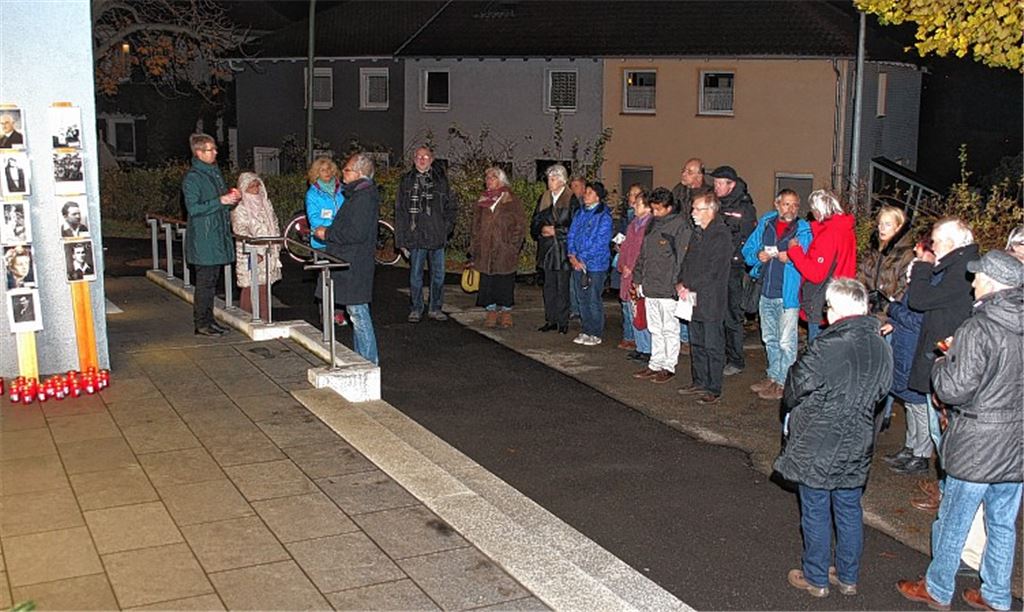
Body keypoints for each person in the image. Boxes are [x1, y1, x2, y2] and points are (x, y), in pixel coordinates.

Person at [897, 249, 1023, 612]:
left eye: (979, 275)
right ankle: (996, 594)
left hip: (978, 441)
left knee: (955, 516)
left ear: (996, 283)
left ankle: (937, 587)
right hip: (1016, 442)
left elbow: (953, 388)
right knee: (1002, 522)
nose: (974, 281)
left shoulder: (979, 327)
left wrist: (942, 363)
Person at [775, 278, 893, 599]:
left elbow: (795, 387)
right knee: (849, 508)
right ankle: (848, 575)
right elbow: (883, 391)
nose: (825, 312)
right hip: (857, 438)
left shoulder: (828, 345)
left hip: (819, 437)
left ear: (838, 309)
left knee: (815, 508)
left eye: (828, 306)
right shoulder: (880, 345)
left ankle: (816, 577)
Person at [741, 189, 812, 401]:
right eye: (786, 204)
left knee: (786, 342)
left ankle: (783, 383)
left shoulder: (802, 229)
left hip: (788, 296)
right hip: (766, 292)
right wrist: (757, 256)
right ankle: (773, 376)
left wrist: (791, 257)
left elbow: (807, 256)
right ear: (777, 204)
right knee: (769, 338)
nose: (790, 209)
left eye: (794, 205)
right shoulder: (766, 223)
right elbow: (748, 251)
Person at [314, 153, 380, 365]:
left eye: (347, 169)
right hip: (352, 260)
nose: (343, 172)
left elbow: (355, 233)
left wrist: (328, 233)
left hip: (354, 263)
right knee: (355, 312)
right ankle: (362, 358)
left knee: (359, 313)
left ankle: (369, 361)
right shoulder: (359, 194)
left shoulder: (363, 197)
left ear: (359, 173)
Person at [678, 191, 734, 405]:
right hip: (692, 297)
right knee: (697, 342)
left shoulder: (720, 235)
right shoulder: (698, 233)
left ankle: (713, 386)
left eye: (696, 209)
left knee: (712, 344)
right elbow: (688, 261)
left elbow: (713, 270)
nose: (692, 213)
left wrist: (688, 285)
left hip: (711, 299)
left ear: (710, 211)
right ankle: (699, 380)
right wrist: (681, 281)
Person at [631, 188, 691, 383]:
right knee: (655, 328)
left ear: (669, 207)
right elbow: (644, 252)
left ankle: (668, 365)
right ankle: (655, 363)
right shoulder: (653, 223)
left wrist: (676, 284)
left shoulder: (680, 226)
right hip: (650, 286)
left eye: (658, 209)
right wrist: (637, 278)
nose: (655, 213)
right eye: (653, 209)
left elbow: (682, 259)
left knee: (670, 329)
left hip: (667, 288)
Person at [182, 133, 239, 337]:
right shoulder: (193, 178)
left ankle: (209, 320)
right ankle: (201, 323)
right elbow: (194, 208)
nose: (215, 152)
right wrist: (221, 201)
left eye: (215, 148)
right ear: (199, 153)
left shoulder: (214, 173)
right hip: (204, 240)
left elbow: (219, 202)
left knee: (212, 282)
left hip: (215, 235)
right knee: (205, 283)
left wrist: (232, 199)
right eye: (210, 149)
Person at [395, 146, 457, 323]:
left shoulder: (441, 181)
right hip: (415, 236)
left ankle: (435, 308)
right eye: (419, 157)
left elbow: (451, 207)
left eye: (426, 156)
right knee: (415, 276)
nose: (422, 160)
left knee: (438, 275)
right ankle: (416, 308)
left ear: (432, 159)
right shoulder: (406, 180)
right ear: (414, 159)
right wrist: (401, 239)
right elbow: (400, 211)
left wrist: (446, 229)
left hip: (437, 237)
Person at [786, 189, 857, 342]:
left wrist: (795, 251)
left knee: (818, 350)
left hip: (823, 301)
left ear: (819, 210)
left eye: (813, 210)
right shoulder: (845, 228)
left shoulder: (828, 234)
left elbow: (815, 273)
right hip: (842, 296)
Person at [708, 166, 757, 376]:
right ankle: (719, 355)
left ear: (732, 185)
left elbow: (746, 239)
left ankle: (736, 360)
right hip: (714, 267)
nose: (716, 186)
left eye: (721, 183)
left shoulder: (744, 207)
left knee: (731, 314)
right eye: (715, 182)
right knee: (715, 313)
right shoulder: (714, 203)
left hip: (733, 268)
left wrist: (731, 256)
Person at [467, 166, 526, 328]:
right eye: (487, 178)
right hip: (485, 249)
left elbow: (520, 224)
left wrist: (513, 245)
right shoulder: (483, 199)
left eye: (492, 177)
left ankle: (506, 312)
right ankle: (491, 311)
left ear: (500, 180)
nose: (488, 181)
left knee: (504, 280)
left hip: (505, 249)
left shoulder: (511, 198)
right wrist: (474, 247)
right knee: (488, 281)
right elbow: (476, 225)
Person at [531, 163, 577, 334]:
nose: (549, 182)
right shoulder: (544, 198)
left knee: (562, 287)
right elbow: (535, 221)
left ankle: (563, 321)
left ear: (562, 181)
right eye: (549, 179)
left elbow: (575, 227)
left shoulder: (571, 199)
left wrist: (556, 231)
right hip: (547, 249)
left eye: (552, 179)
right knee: (549, 286)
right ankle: (550, 319)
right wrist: (541, 229)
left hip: (563, 249)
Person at [567, 181, 613, 346]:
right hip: (578, 263)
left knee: (593, 297)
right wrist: (572, 255)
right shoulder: (580, 213)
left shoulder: (604, 217)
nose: (585, 195)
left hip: (595, 265)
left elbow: (600, 242)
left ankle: (595, 331)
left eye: (590, 192)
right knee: (581, 298)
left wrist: (582, 258)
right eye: (585, 192)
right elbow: (571, 234)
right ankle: (586, 330)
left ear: (598, 196)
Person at [231, 172, 282, 321]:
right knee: (250, 286)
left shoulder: (266, 203)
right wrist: (254, 250)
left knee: (265, 287)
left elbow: (274, 222)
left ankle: (265, 318)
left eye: (257, 184)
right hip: (251, 252)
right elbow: (241, 230)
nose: (255, 188)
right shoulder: (241, 207)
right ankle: (246, 318)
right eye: (251, 186)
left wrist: (276, 243)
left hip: (268, 250)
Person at [618, 185, 653, 361]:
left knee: (642, 312)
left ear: (648, 207)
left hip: (639, 275)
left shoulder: (650, 226)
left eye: (638, 204)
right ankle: (640, 346)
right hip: (627, 273)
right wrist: (623, 264)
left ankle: (648, 348)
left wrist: (632, 268)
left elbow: (644, 252)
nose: (634, 206)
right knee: (633, 311)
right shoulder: (633, 225)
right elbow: (625, 248)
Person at [305, 156, 344, 251]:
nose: (327, 172)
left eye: (329, 168)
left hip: (342, 238)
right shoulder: (312, 194)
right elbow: (314, 218)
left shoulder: (343, 189)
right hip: (322, 240)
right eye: (323, 170)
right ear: (317, 173)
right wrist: (335, 224)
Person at [671, 158, 712, 223]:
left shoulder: (709, 193)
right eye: (683, 170)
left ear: (699, 176)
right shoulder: (678, 189)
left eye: (689, 172)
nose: (684, 174)